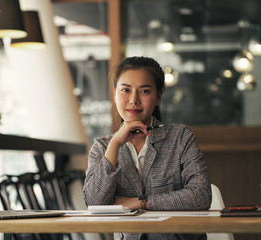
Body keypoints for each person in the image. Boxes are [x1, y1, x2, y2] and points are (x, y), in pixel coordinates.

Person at [83, 56, 212, 240]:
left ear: (158, 96)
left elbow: (200, 196)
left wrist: (139, 203)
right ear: (114, 93)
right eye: (126, 90)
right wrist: (115, 144)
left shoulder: (180, 137)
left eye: (144, 91)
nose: (133, 100)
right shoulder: (102, 146)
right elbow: (94, 204)